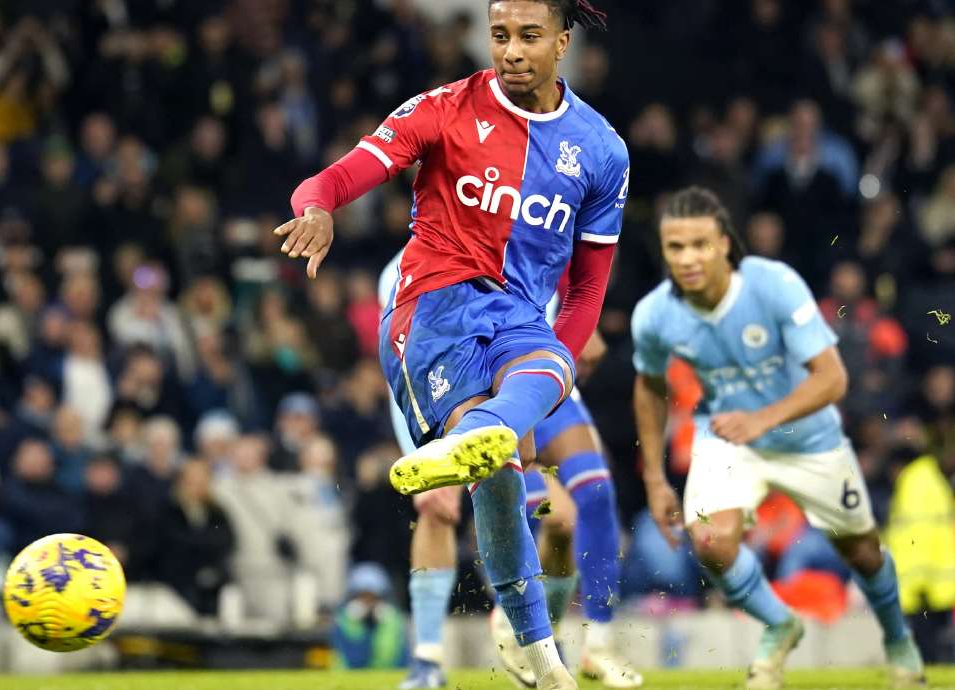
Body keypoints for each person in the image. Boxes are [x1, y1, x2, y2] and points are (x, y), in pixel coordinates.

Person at [278, 1, 625, 687]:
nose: (513, 51)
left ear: (562, 43)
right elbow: (340, 175)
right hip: (431, 311)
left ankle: (542, 654)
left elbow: (586, 291)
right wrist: (315, 208)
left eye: (529, 37)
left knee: (548, 371)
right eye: (500, 36)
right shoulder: (441, 109)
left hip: (519, 321)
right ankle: (506, 654)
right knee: (497, 475)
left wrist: (546, 382)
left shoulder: (603, 149)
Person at [630, 187, 924, 690]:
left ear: (724, 244)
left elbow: (832, 378)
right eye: (675, 247)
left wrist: (764, 419)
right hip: (731, 436)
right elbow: (650, 386)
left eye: (699, 244)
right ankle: (779, 625)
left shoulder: (774, 284)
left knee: (863, 551)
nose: (687, 258)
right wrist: (656, 478)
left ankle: (898, 641)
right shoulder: (655, 314)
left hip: (808, 437)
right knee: (710, 541)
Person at [378, 249, 639, 689]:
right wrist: (419, 447)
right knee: (442, 509)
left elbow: (563, 272)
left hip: (532, 374)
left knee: (584, 503)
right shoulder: (405, 267)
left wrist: (579, 316)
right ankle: (429, 660)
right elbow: (401, 366)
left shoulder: (521, 219)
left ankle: (580, 642)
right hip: (464, 389)